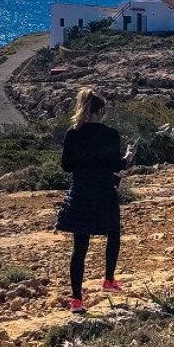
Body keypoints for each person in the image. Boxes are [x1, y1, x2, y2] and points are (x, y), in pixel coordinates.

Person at [56, 87, 134, 314]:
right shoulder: (111, 134)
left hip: (80, 192)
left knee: (80, 247)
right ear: (99, 111)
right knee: (113, 233)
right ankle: (109, 280)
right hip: (104, 190)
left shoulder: (73, 133)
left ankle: (77, 300)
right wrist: (128, 156)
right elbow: (117, 165)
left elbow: (66, 166)